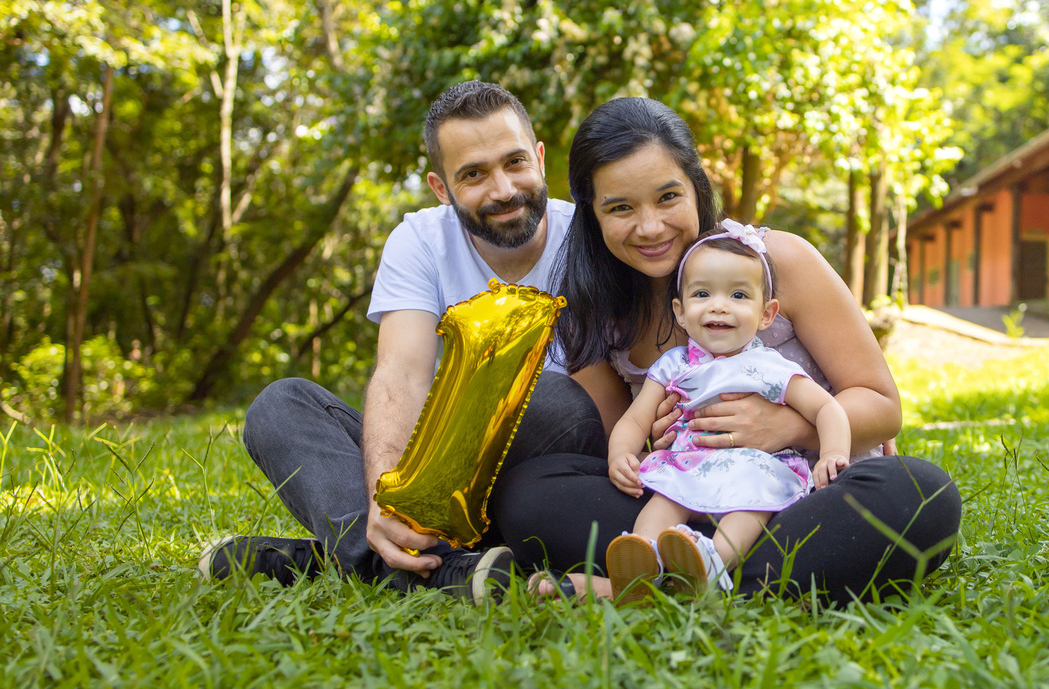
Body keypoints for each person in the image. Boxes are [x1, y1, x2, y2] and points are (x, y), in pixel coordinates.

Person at [493, 96, 961, 605]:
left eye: (667, 197)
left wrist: (788, 426)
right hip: (686, 496)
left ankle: (655, 583)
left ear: (696, 188)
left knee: (920, 490)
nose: (649, 227)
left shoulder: (774, 261)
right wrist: (645, 441)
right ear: (592, 215)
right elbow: (621, 447)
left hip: (802, 494)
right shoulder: (596, 310)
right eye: (620, 207)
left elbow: (881, 404)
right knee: (528, 491)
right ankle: (704, 572)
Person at [197, 81, 606, 603]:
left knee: (554, 399)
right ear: (441, 188)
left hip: (539, 473)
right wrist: (386, 499)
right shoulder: (418, 240)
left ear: (541, 159)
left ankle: (346, 559)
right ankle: (427, 565)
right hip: (434, 466)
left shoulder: (591, 239)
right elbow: (402, 373)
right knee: (280, 406)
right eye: (474, 174)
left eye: (514, 162)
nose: (502, 189)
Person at [605, 220, 853, 603]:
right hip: (687, 464)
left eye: (738, 295)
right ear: (681, 311)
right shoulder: (674, 365)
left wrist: (834, 453)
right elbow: (636, 419)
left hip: (754, 467)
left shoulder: (770, 367)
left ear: (767, 314)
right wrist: (621, 453)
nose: (719, 305)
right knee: (664, 500)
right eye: (702, 293)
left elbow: (827, 408)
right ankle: (643, 558)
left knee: (750, 506)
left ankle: (711, 564)